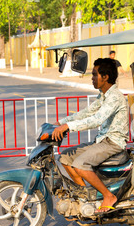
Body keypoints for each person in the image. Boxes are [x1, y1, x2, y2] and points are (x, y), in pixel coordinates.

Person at [52, 58, 129, 214]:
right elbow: (87, 113)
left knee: (80, 164)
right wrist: (60, 122)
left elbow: (97, 119)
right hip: (102, 141)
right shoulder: (104, 95)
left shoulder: (115, 97)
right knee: (65, 157)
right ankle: (85, 196)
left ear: (105, 77)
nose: (92, 78)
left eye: (94, 74)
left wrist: (68, 126)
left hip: (113, 142)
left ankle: (109, 196)